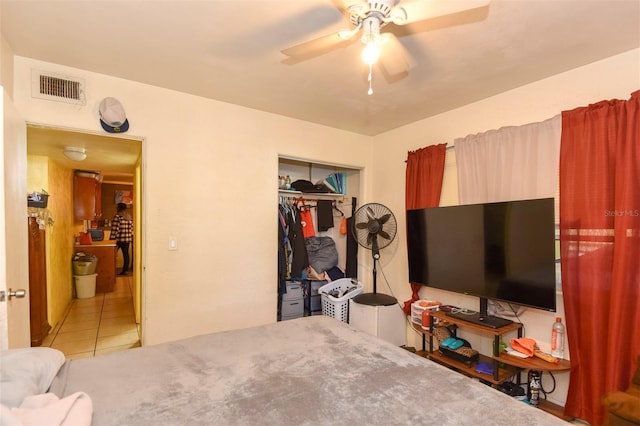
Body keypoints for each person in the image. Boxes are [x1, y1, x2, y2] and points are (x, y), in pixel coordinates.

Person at [110, 202, 133, 275]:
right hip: (127, 239)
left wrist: (111, 240)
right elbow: (131, 228)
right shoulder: (129, 217)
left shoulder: (117, 217)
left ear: (119, 208)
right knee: (126, 255)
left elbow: (115, 229)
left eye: (117, 207)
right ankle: (125, 270)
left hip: (119, 240)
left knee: (112, 254)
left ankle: (111, 270)